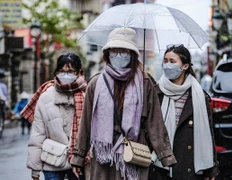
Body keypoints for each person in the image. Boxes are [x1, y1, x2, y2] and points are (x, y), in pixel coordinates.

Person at [70, 27, 177, 180]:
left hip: (134, 154)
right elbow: (86, 123)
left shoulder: (145, 82)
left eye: (124, 51)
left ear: (132, 55)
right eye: (114, 51)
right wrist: (78, 156)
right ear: (107, 54)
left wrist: (165, 155)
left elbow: (155, 122)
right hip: (104, 157)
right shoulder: (96, 83)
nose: (118, 55)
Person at [149, 44, 219, 180]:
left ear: (185, 66)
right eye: (165, 61)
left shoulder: (198, 96)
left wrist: (212, 167)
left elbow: (208, 132)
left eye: (172, 61)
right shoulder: (155, 93)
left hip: (189, 165)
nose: (168, 65)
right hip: (160, 165)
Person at [23, 52, 89, 180]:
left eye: (71, 71)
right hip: (52, 161)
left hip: (79, 162)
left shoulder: (87, 95)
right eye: (61, 70)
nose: (66, 74)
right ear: (56, 72)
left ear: (79, 72)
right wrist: (35, 169)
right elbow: (38, 134)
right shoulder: (46, 96)